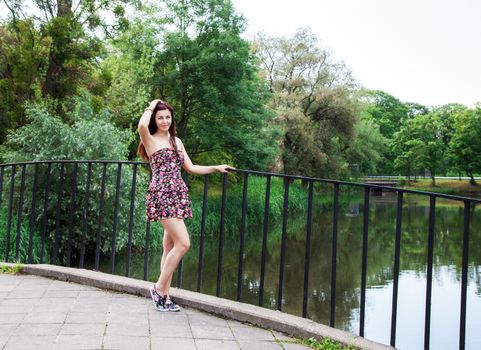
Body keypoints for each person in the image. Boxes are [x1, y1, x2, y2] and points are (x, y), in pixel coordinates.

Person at [137, 99, 234, 312]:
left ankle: (165, 297)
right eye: (160, 117)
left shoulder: (176, 141)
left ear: (172, 119)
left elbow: (190, 168)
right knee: (184, 243)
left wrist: (217, 168)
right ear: (155, 118)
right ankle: (158, 288)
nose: (164, 120)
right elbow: (141, 125)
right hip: (161, 194)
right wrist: (153, 104)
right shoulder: (150, 139)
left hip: (178, 195)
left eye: (167, 117)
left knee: (170, 246)